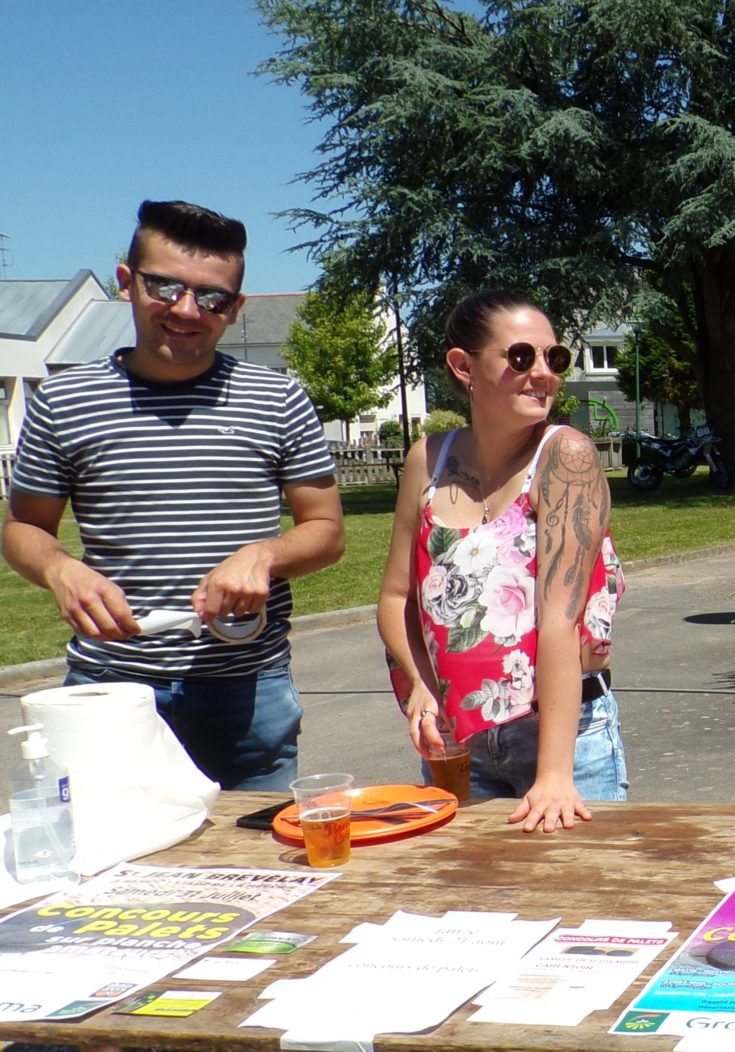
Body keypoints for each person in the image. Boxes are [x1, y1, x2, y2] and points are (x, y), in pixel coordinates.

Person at [1, 200, 344, 791]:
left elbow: (328, 531)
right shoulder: (63, 401)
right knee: (109, 846)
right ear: (126, 282)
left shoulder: (277, 397)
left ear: (235, 308)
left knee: (254, 851)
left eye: (212, 298)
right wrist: (60, 569)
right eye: (164, 286)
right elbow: (23, 527)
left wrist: (263, 554)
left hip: (246, 689)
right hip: (111, 686)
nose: (187, 310)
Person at [378, 290, 626, 834]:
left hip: (561, 739)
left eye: (554, 358)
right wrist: (421, 686)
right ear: (463, 366)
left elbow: (560, 618)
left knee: (572, 881)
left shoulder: (565, 456)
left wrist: (554, 774)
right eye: (520, 356)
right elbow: (397, 596)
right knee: (470, 881)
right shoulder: (428, 459)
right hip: (458, 740)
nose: (543, 373)